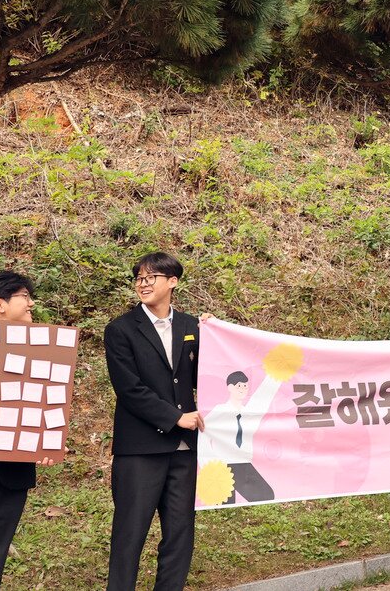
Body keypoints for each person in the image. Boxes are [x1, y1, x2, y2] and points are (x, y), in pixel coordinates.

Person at [104, 252, 202, 591]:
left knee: (180, 534)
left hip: (184, 450)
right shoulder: (120, 330)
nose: (143, 284)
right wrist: (176, 418)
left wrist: (217, 334)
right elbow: (129, 389)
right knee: (129, 534)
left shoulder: (192, 326)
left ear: (172, 282)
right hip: (140, 450)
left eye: (151, 278)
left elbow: (212, 373)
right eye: (139, 279)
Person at [0, 269, 58, 591]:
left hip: (12, 473)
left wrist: (46, 443)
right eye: (24, 297)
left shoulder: (41, 351)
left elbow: (46, 404)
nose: (31, 304)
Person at [196, 368, 280, 504]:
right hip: (222, 464)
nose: (243, 389)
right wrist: (208, 465)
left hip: (243, 462)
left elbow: (264, 395)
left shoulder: (249, 412)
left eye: (245, 386)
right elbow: (204, 432)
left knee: (266, 495)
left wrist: (278, 371)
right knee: (224, 502)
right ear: (230, 387)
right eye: (239, 386)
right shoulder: (220, 410)